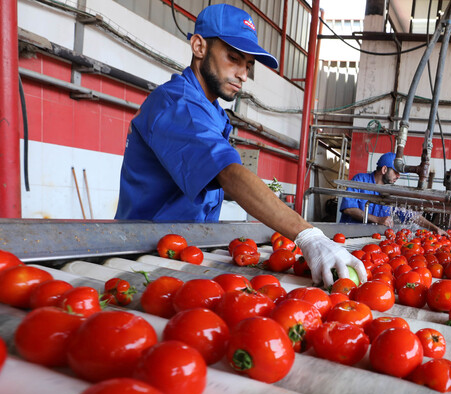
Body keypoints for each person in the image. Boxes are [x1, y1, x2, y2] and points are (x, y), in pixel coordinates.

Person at [114, 4, 364, 287]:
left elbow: (204, 181)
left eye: (248, 66)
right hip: (146, 254)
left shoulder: (212, 112)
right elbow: (228, 173)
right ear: (199, 46)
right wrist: (307, 235)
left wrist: (259, 198)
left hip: (187, 250)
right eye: (233, 58)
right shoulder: (177, 104)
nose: (243, 75)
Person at [339, 152, 445, 234]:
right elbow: (349, 209)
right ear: (384, 169)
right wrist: (377, 219)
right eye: (396, 172)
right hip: (349, 235)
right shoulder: (360, 180)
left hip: (371, 239)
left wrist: (435, 229)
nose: (398, 176)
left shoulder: (391, 192)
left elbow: (411, 215)